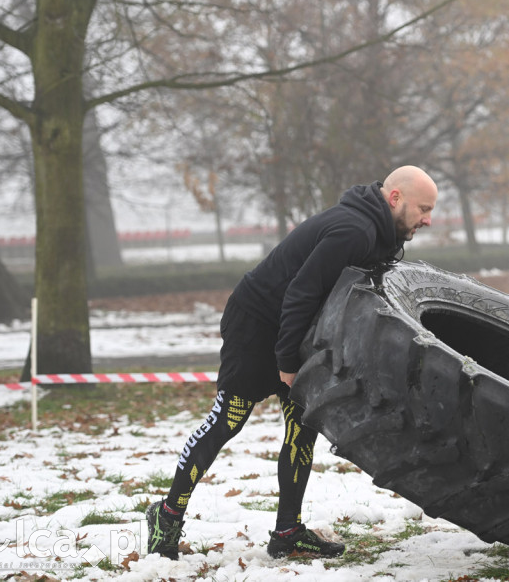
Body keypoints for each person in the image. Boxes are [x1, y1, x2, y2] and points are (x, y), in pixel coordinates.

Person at [146, 166, 438, 560]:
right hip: (257, 325)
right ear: (395, 199)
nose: (428, 219)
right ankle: (166, 517)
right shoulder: (355, 230)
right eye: (423, 208)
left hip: (296, 331)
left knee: (302, 430)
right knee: (227, 421)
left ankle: (287, 531)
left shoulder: (379, 235)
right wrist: (286, 361)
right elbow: (301, 291)